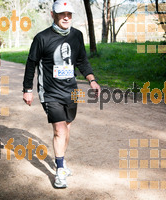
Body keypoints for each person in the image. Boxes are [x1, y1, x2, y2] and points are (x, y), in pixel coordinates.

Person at [22, 0, 101, 189]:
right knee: (59, 130)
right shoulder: (42, 38)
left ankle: (61, 161)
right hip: (50, 92)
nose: (66, 17)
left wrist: (92, 80)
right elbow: (31, 63)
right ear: (53, 15)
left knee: (67, 128)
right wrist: (27, 90)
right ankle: (59, 171)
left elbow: (82, 60)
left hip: (71, 90)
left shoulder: (76, 35)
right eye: (62, 13)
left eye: (69, 14)